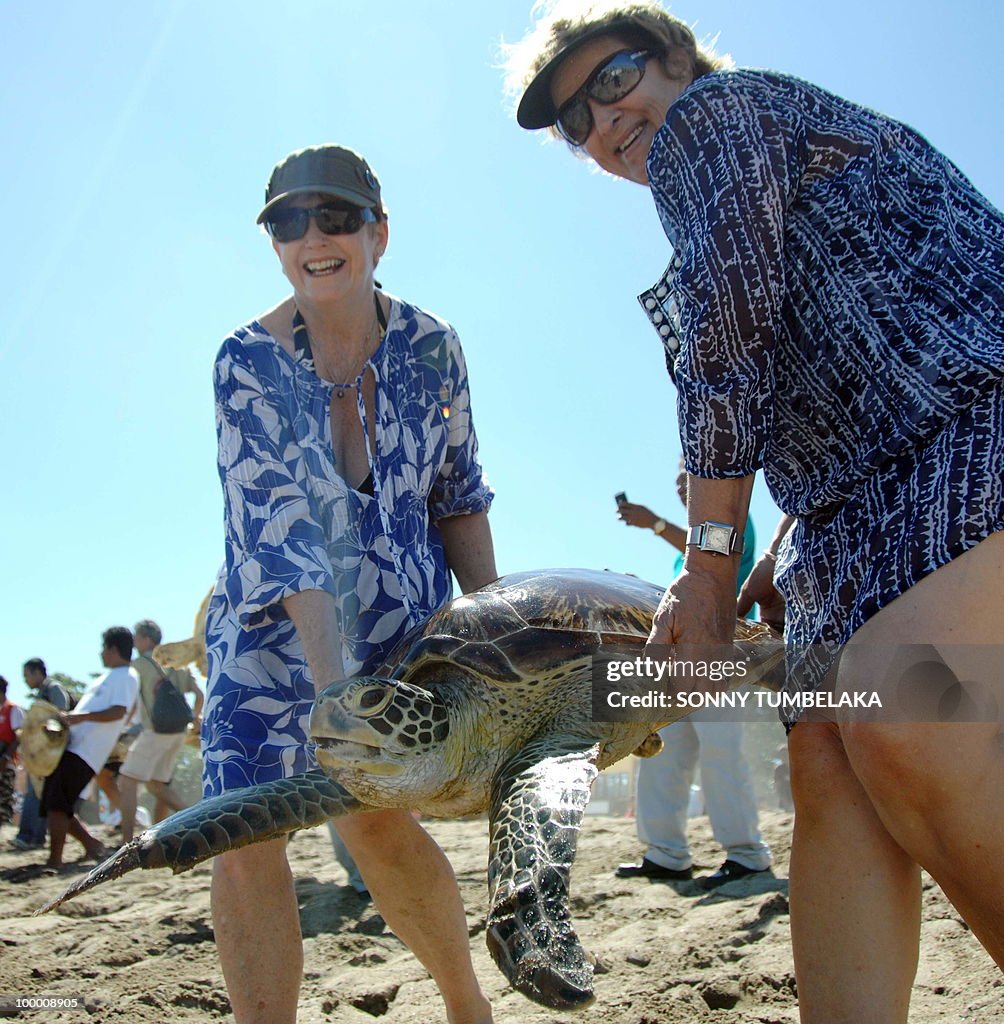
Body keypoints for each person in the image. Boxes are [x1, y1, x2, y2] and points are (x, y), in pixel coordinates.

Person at [509, 2, 1003, 1020]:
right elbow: (789, 350)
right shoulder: (708, 165)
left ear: (678, 58)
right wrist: (783, 532)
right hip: (850, 510)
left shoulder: (716, 114)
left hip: (970, 420)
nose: (602, 121)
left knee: (900, 706)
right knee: (826, 758)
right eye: (573, 121)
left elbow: (729, 323)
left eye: (614, 79)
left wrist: (704, 569)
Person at [204, 144, 497, 1024]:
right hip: (270, 632)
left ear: (378, 232)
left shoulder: (433, 347)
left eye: (333, 216)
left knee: (373, 819)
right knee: (245, 829)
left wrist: (493, 644)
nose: (312, 236)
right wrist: (338, 699)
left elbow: (460, 499)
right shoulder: (245, 360)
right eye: (288, 221)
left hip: (401, 624)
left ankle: (465, 1006)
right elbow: (287, 537)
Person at [615, 461, 770, 888]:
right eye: (678, 482)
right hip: (677, 665)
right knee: (664, 753)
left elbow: (716, 547)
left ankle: (747, 855)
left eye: (689, 480)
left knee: (723, 754)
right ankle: (665, 853)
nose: (684, 489)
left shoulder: (737, 524)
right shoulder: (684, 556)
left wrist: (654, 523)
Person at [41, 627, 139, 868]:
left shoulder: (127, 675)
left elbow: (119, 711)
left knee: (57, 804)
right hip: (75, 746)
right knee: (56, 803)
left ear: (113, 649)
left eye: (104, 648)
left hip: (88, 751)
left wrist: (81, 717)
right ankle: (92, 845)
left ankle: (55, 860)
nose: (101, 653)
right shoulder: (106, 678)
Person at [118, 619, 203, 843]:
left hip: (155, 731)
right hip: (178, 731)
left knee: (127, 781)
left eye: (137, 638)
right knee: (156, 784)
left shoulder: (140, 665)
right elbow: (198, 694)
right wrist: (194, 720)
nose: (135, 643)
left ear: (146, 639)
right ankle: (194, 820)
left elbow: (134, 701)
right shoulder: (179, 662)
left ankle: (126, 842)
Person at [10, 658, 72, 850]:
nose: (26, 680)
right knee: (38, 794)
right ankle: (34, 837)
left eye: (27, 675)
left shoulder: (53, 689)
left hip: (53, 753)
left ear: (38, 673)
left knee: (37, 794)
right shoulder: (43, 692)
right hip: (46, 753)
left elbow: (61, 716)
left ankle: (29, 836)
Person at [0, 676, 25, 832]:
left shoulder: (13, 709)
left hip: (6, 763)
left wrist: (6, 757)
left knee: (4, 799)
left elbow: (19, 737)